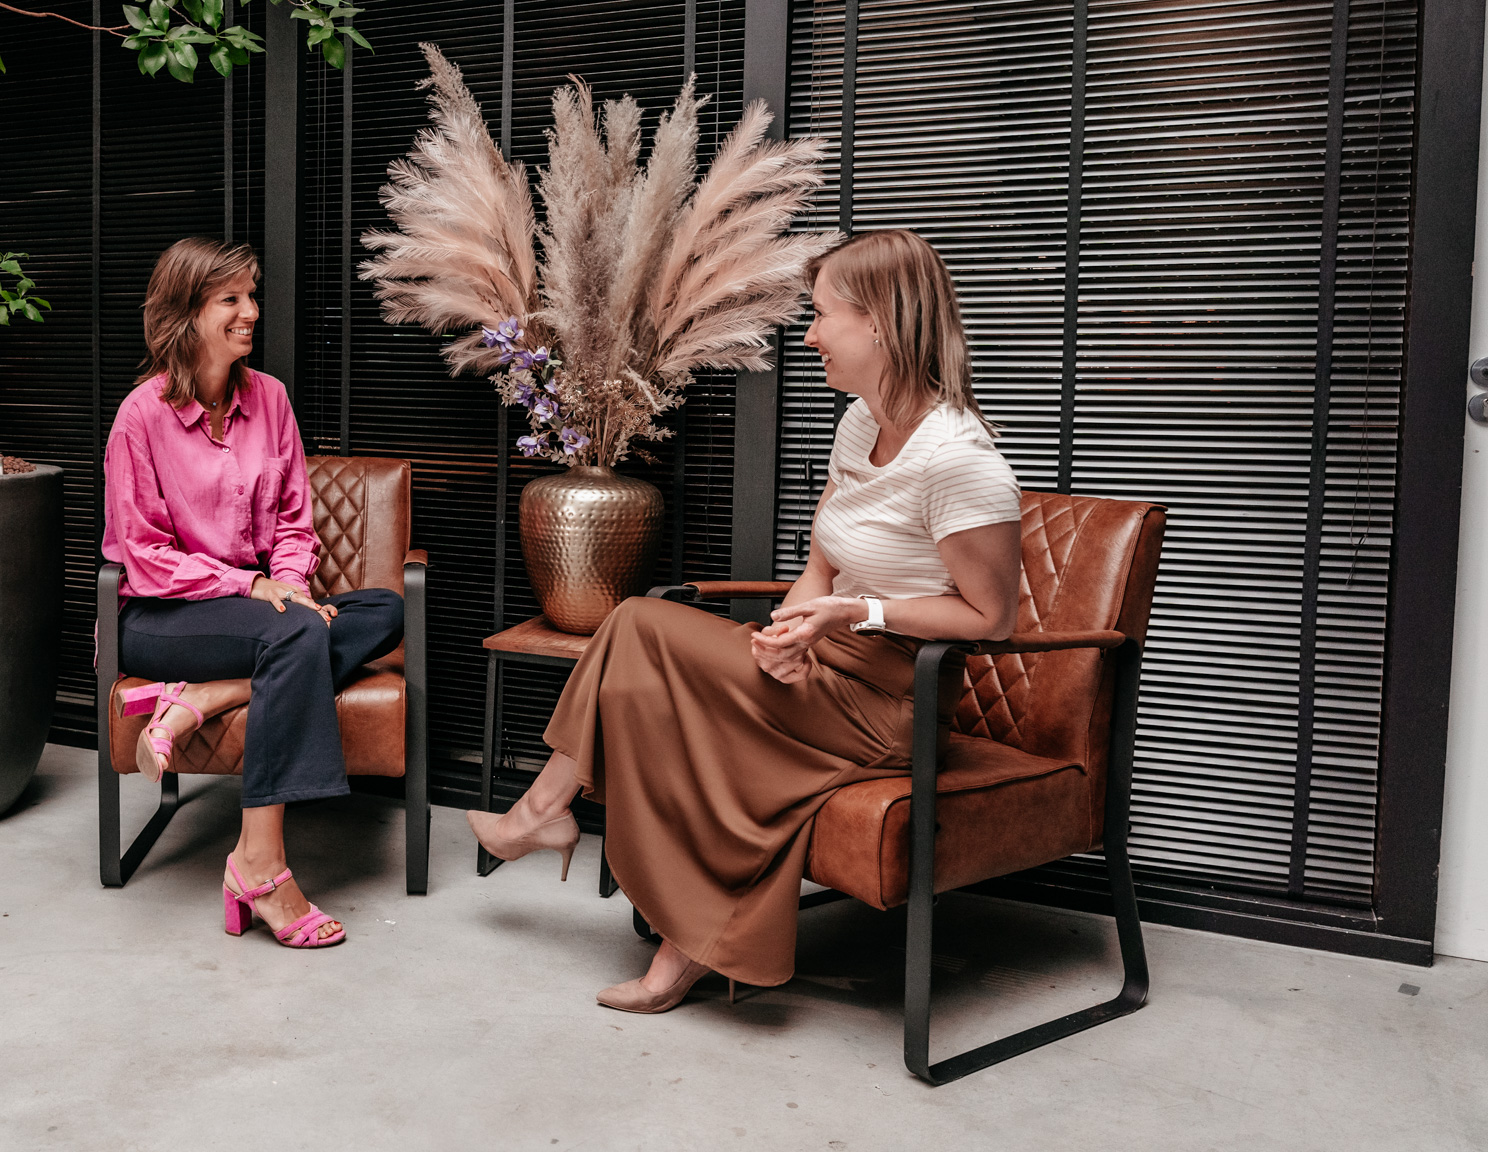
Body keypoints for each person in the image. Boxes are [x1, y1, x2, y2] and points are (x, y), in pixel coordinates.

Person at [467, 229, 1024, 1009]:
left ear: (881, 324)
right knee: (644, 654)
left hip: (890, 701)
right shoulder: (861, 425)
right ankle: (667, 929)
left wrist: (847, 616)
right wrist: (784, 636)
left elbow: (991, 618)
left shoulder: (959, 458)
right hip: (825, 668)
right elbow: (822, 567)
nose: (812, 334)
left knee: (636, 627)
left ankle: (547, 815)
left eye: (823, 315)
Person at [104, 237, 404, 949]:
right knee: (293, 634)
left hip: (258, 611)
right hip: (161, 614)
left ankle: (204, 697)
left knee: (385, 609)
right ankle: (260, 863)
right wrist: (255, 585)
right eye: (230, 299)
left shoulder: (268, 399)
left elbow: (296, 522)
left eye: (250, 295)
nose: (251, 312)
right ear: (187, 314)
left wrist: (292, 586)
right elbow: (144, 559)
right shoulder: (140, 418)